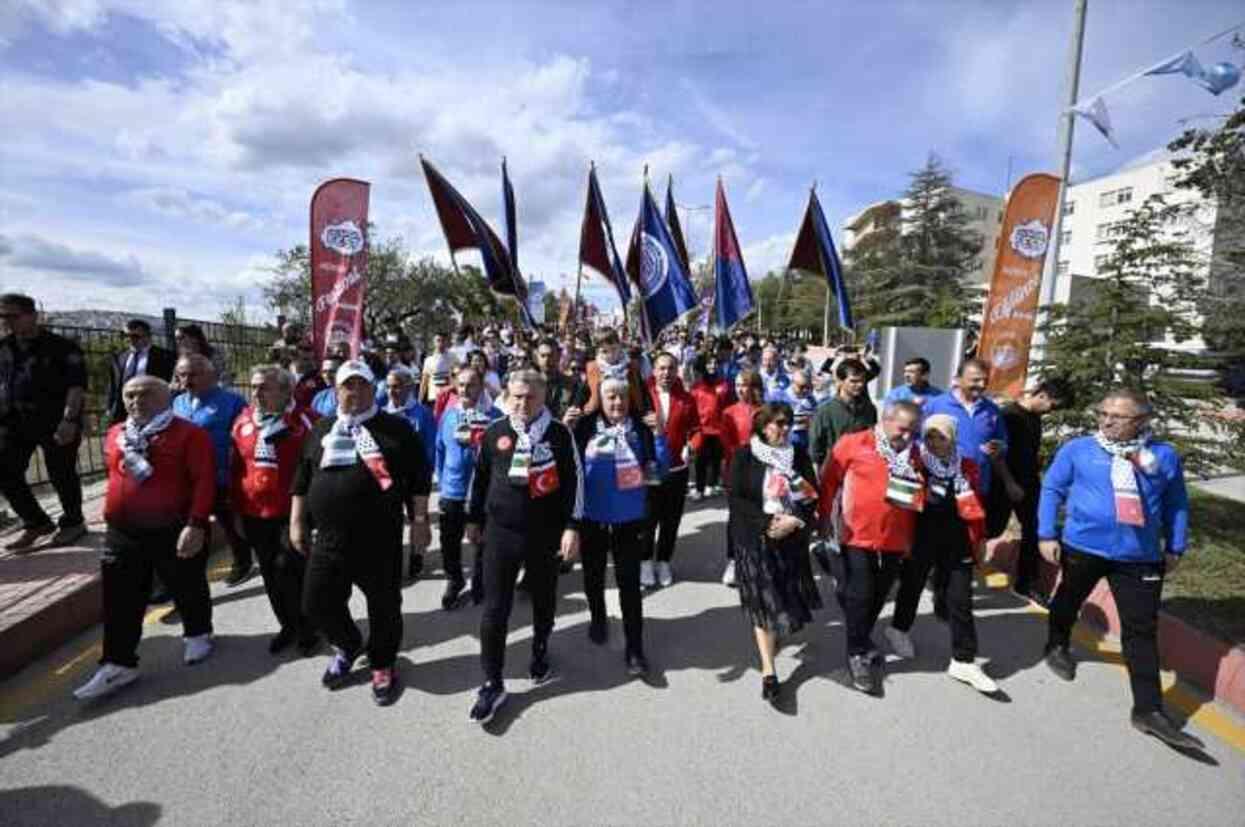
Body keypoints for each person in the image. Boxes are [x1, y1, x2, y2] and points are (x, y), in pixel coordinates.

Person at [1037, 388, 1201, 750]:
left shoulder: (1162, 456)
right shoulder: (1078, 449)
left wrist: (1175, 545)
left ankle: (1148, 710)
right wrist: (1046, 533)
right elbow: (1051, 489)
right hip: (1083, 546)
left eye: (1117, 416)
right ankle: (1056, 644)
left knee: (1141, 630)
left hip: (1139, 556)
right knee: (1068, 597)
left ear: (1141, 421)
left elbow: (1176, 503)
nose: (1106, 420)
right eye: (1103, 412)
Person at [290, 360, 431, 706]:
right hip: (329, 538)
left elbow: (419, 480)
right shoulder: (322, 429)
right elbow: (303, 479)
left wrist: (420, 522)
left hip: (379, 537)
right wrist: (296, 521)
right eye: (347, 385)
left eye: (362, 385)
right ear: (336, 390)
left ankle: (383, 663)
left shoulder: (396, 429)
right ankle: (349, 643)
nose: (355, 392)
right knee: (315, 601)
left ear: (373, 388)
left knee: (384, 606)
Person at [73, 376, 216, 699]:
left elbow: (204, 480)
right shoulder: (115, 435)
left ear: (166, 398)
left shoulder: (189, 434)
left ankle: (198, 633)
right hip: (122, 531)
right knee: (119, 598)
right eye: (130, 395)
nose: (136, 401)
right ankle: (118, 664)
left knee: (186, 583)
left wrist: (195, 524)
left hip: (173, 525)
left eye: (146, 394)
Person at [464, 369, 583, 724]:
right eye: (516, 396)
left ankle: (540, 648)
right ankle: (492, 682)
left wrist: (572, 527)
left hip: (544, 534)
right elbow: (481, 476)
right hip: (501, 533)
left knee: (544, 598)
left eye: (529, 396)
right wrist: (473, 517)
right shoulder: (496, 431)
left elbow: (575, 482)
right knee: (494, 609)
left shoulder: (559, 434)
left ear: (543, 396)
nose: (522, 403)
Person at [883, 415, 997, 694]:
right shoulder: (914, 463)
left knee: (961, 599)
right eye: (930, 435)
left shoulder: (967, 465)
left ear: (954, 438)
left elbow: (976, 504)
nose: (935, 442)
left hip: (957, 540)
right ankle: (898, 629)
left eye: (942, 436)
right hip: (920, 539)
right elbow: (900, 505)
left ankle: (964, 660)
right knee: (911, 587)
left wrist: (980, 538)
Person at [818, 401, 923, 696]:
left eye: (913, 431)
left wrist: (910, 540)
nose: (907, 437)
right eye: (903, 430)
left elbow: (915, 499)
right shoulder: (853, 443)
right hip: (856, 535)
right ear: (885, 420)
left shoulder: (914, 453)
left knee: (879, 594)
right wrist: (824, 519)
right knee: (861, 593)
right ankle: (856, 654)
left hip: (894, 538)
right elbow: (828, 483)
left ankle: (861, 634)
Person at [727, 402, 822, 706]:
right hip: (755, 539)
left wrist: (795, 520)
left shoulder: (798, 455)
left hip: (790, 537)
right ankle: (769, 671)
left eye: (788, 424)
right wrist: (768, 524)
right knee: (764, 604)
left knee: (784, 597)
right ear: (763, 425)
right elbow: (737, 499)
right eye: (777, 423)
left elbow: (810, 495)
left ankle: (774, 636)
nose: (783, 429)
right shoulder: (745, 455)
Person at [574, 378, 668, 675]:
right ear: (600, 399)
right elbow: (571, 466)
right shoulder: (586, 426)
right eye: (611, 397)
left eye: (622, 398)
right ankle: (598, 617)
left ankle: (635, 647)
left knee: (629, 585)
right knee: (593, 575)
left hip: (629, 519)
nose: (617, 403)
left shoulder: (640, 427)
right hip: (593, 518)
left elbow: (656, 472)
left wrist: (660, 436)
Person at [230, 365, 319, 657]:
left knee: (292, 570)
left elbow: (318, 467)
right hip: (254, 513)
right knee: (269, 573)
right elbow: (235, 468)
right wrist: (236, 511)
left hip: (293, 512)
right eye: (254, 386)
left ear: (285, 391)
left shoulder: (306, 420)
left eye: (263, 387)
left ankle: (308, 628)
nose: (256, 393)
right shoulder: (243, 421)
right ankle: (288, 626)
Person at [0, 293, 89, 551]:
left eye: (13, 316)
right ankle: (36, 522)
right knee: (5, 470)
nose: (7, 322)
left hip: (55, 421)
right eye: (3, 317)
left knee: (61, 473)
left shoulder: (62, 347)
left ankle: (73, 522)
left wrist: (70, 419)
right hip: (15, 421)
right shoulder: (5, 347)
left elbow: (76, 387)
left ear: (32, 316)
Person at [171, 354, 251, 586]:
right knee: (194, 525)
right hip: (189, 479)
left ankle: (242, 561)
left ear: (211, 375)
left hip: (222, 476)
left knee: (230, 523)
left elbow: (243, 439)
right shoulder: (178, 403)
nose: (186, 379)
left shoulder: (232, 402)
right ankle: (189, 573)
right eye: (182, 375)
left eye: (192, 374)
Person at [993, 378, 1073, 602]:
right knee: (992, 529)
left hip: (1028, 484)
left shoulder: (1036, 418)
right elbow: (999, 455)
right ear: (1042, 395)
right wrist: (1009, 483)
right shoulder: (1009, 416)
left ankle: (1025, 583)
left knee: (1035, 529)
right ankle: (948, 569)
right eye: (1053, 405)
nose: (1052, 411)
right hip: (1004, 484)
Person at [435, 366, 503, 609]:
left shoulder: (495, 417)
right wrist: (444, 483)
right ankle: (454, 579)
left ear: (481, 386)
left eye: (471, 384)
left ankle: (480, 582)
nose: (465, 389)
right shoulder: (449, 415)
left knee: (483, 541)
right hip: (453, 490)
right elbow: (439, 451)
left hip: (483, 492)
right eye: (461, 384)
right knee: (449, 542)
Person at [641, 352, 698, 589]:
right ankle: (644, 561)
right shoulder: (641, 395)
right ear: (653, 370)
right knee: (647, 517)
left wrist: (692, 446)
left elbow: (696, 429)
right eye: (662, 368)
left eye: (671, 369)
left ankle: (663, 561)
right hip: (649, 468)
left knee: (671, 518)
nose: (666, 373)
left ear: (677, 372)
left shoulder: (686, 398)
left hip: (676, 468)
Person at [718, 369, 765, 587]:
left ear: (755, 386)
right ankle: (734, 561)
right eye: (737, 385)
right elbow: (727, 444)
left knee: (760, 516)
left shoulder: (765, 411)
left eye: (744, 384)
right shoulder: (729, 412)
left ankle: (757, 561)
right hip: (737, 472)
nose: (740, 389)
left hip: (763, 472)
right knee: (736, 517)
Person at [809, 358, 878, 470]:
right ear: (840, 381)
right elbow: (815, 453)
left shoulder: (869, 409)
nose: (860, 385)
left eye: (862, 381)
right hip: (833, 472)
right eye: (854, 381)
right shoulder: (824, 411)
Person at [107, 318, 175, 424]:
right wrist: (109, 408)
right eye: (125, 336)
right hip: (122, 411)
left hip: (152, 409)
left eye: (135, 336)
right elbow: (113, 386)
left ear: (148, 336)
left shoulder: (165, 357)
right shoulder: (119, 357)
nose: (130, 340)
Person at [689, 353, 731, 500]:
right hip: (701, 429)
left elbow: (728, 406)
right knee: (700, 459)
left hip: (719, 429)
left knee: (716, 458)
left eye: (714, 363)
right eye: (709, 363)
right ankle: (699, 488)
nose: (712, 366)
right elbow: (692, 407)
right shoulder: (697, 387)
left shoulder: (724, 385)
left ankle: (711, 485)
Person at [583, 329, 647, 415]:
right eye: (604, 351)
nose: (610, 355)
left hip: (630, 414)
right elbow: (585, 395)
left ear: (619, 346)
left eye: (613, 349)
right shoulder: (593, 368)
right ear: (597, 351)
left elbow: (641, 391)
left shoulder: (631, 365)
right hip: (601, 416)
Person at [534, 337, 586, 422]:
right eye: (542, 356)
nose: (546, 360)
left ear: (558, 356)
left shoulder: (573, 385)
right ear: (537, 358)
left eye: (550, 355)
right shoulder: (530, 385)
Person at [767, 368, 817, 453]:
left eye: (808, 387)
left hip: (803, 445)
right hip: (783, 445)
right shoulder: (780, 397)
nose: (805, 390)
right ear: (793, 383)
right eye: (801, 387)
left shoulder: (811, 400)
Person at [418, 331, 459, 406]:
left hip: (449, 396)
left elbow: (457, 376)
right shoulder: (428, 360)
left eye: (443, 340)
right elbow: (424, 381)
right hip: (434, 397)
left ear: (447, 342)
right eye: (438, 340)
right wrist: (420, 398)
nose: (441, 343)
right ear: (434, 342)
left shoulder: (453, 357)